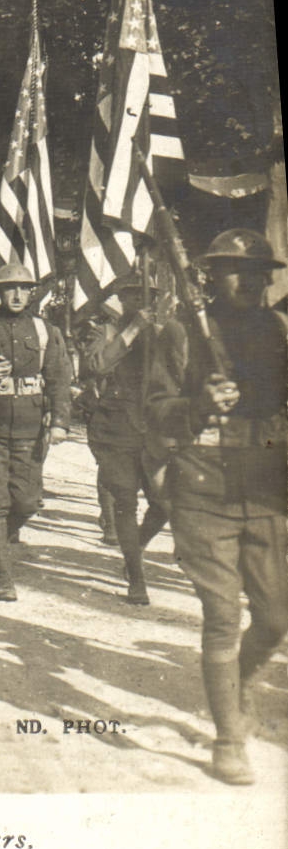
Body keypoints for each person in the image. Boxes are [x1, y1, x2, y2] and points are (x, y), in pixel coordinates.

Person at [145, 228, 286, 786]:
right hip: (203, 489)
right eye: (233, 270)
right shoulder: (182, 331)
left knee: (276, 618)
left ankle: (238, 683)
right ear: (210, 275)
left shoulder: (277, 331)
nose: (248, 281)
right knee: (223, 617)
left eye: (257, 272)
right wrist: (197, 405)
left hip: (265, 490)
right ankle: (229, 737)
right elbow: (155, 409)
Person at [0, 263, 70, 601]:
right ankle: (3, 577)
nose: (17, 295)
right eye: (9, 289)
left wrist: (60, 421)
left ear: (32, 292)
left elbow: (59, 378)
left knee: (28, 501)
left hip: (29, 428)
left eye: (23, 288)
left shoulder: (45, 330)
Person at [83, 274, 168, 604]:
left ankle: (137, 547)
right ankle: (136, 577)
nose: (142, 302)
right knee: (125, 503)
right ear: (122, 299)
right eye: (134, 296)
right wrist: (132, 331)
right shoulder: (105, 332)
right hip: (116, 430)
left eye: (148, 297)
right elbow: (96, 366)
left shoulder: (161, 335)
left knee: (164, 502)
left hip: (153, 430)